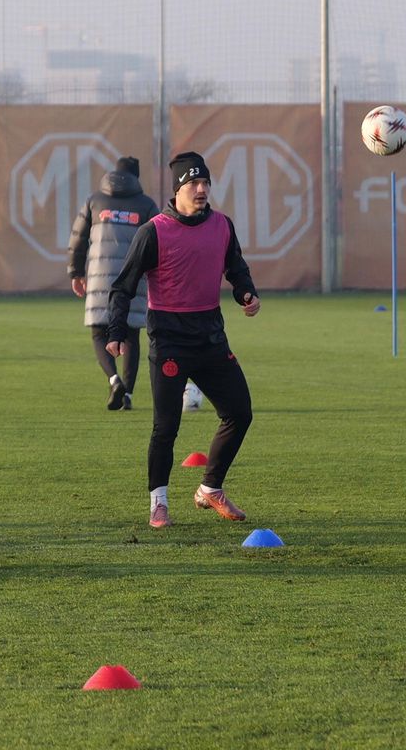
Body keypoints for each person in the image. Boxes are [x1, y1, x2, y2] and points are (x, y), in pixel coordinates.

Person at [107, 151, 260, 529]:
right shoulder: (154, 231)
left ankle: (211, 488)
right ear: (178, 190)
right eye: (194, 183)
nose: (203, 189)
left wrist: (246, 293)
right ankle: (158, 503)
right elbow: (123, 286)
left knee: (239, 412)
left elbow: (236, 267)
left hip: (210, 337)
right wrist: (115, 331)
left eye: (206, 183)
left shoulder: (222, 225)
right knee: (166, 426)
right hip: (170, 340)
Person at [68, 156, 158, 411]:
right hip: (134, 277)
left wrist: (76, 272)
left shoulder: (95, 201)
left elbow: (78, 238)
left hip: (99, 275)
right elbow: (160, 240)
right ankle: (127, 393)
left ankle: (113, 378)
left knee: (99, 331)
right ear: (136, 177)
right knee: (130, 334)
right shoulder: (146, 205)